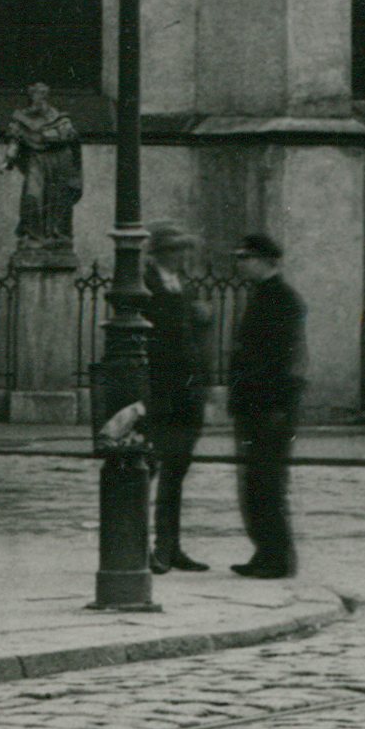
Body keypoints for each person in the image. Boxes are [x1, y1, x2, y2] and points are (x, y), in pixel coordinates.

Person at [229, 230, 305, 577]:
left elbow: (282, 359)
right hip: (255, 405)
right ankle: (266, 552)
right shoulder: (265, 295)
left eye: (246, 258)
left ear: (266, 261)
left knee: (266, 482)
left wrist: (276, 407)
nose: (241, 264)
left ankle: (276, 557)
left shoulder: (282, 299)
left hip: (269, 407)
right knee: (256, 482)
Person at [146, 235, 209, 571]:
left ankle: (170, 546)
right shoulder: (145, 283)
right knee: (149, 470)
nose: (185, 254)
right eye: (179, 249)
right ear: (162, 253)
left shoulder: (182, 284)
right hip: (160, 394)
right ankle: (143, 547)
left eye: (186, 248)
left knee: (176, 471)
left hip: (186, 394)